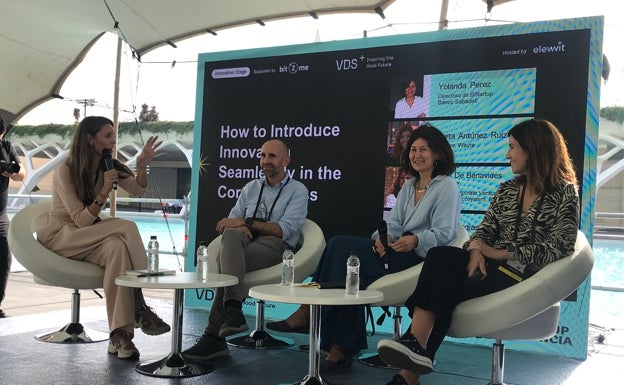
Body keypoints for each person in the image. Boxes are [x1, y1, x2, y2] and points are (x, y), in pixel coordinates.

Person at [377, 118, 580, 385]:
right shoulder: (507, 190)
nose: (507, 154)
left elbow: (562, 246)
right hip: (486, 265)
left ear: (534, 149)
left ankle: (410, 367)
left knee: (443, 287)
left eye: (513, 147)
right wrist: (475, 252)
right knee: (440, 257)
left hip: (522, 276)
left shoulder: (564, 193)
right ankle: (414, 352)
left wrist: (498, 253)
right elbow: (483, 231)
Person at [267, 125, 461, 374]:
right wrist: (382, 238)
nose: (417, 155)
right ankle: (337, 344)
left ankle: (321, 325)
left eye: (424, 149)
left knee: (343, 253)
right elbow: (392, 224)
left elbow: (446, 233)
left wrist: (416, 240)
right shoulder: (409, 186)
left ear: (438, 154)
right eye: (413, 149)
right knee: (341, 252)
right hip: (392, 251)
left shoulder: (447, 187)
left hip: (419, 259)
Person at [36, 116, 170, 359]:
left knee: (117, 247)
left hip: (89, 236)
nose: (113, 141)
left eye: (114, 136)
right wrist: (103, 192)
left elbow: (139, 189)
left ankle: (120, 336)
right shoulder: (65, 170)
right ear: (90, 139)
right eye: (108, 136)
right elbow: (80, 220)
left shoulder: (110, 166)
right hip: (63, 236)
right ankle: (139, 303)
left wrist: (142, 166)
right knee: (126, 227)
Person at [182, 138, 309, 361]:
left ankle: (215, 336)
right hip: (245, 243)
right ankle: (232, 311)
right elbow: (228, 223)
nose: (265, 161)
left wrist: (247, 223)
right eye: (262, 155)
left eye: (272, 156)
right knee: (231, 237)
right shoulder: (251, 187)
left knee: (228, 265)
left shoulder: (298, 190)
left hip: (275, 246)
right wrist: (238, 225)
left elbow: (283, 230)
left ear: (286, 160)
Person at [0, 117, 26, 318]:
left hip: (1, 215)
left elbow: (21, 172)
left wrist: (11, 173)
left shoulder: (6, 145)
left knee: (4, 259)